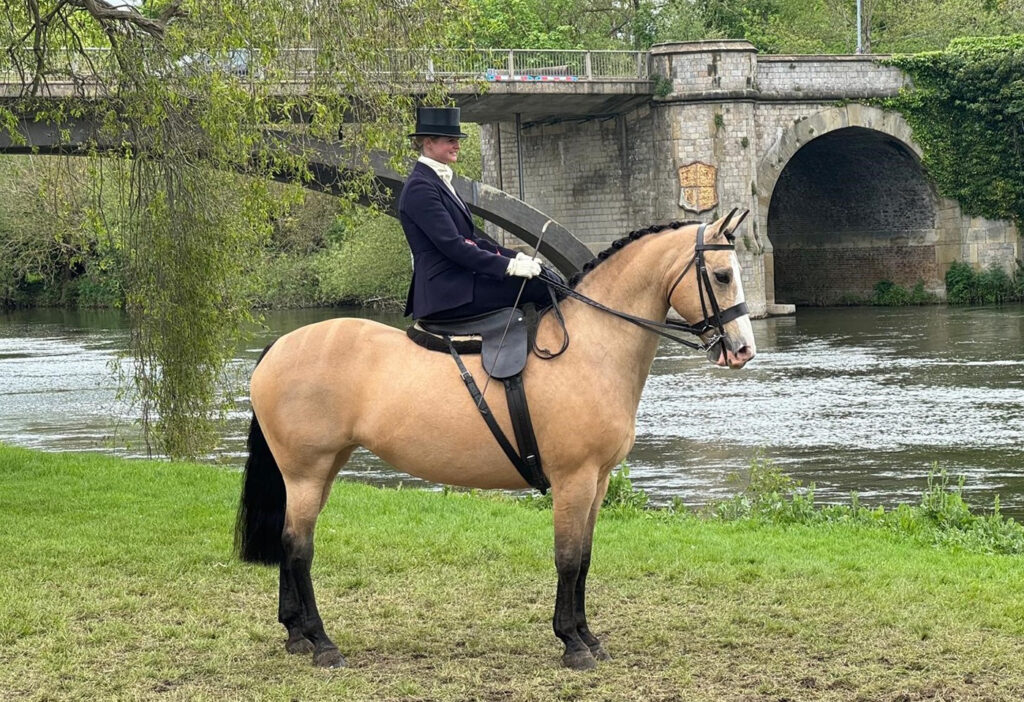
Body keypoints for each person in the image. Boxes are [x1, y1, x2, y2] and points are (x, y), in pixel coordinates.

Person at [398, 106, 550, 321]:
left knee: (548, 277)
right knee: (539, 286)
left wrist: (515, 256)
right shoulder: (420, 187)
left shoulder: (436, 180)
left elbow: (472, 241)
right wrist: (509, 267)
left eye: (457, 140)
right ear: (428, 142)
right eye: (450, 140)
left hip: (462, 282)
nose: (457, 145)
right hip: (446, 291)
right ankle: (541, 353)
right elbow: (454, 246)